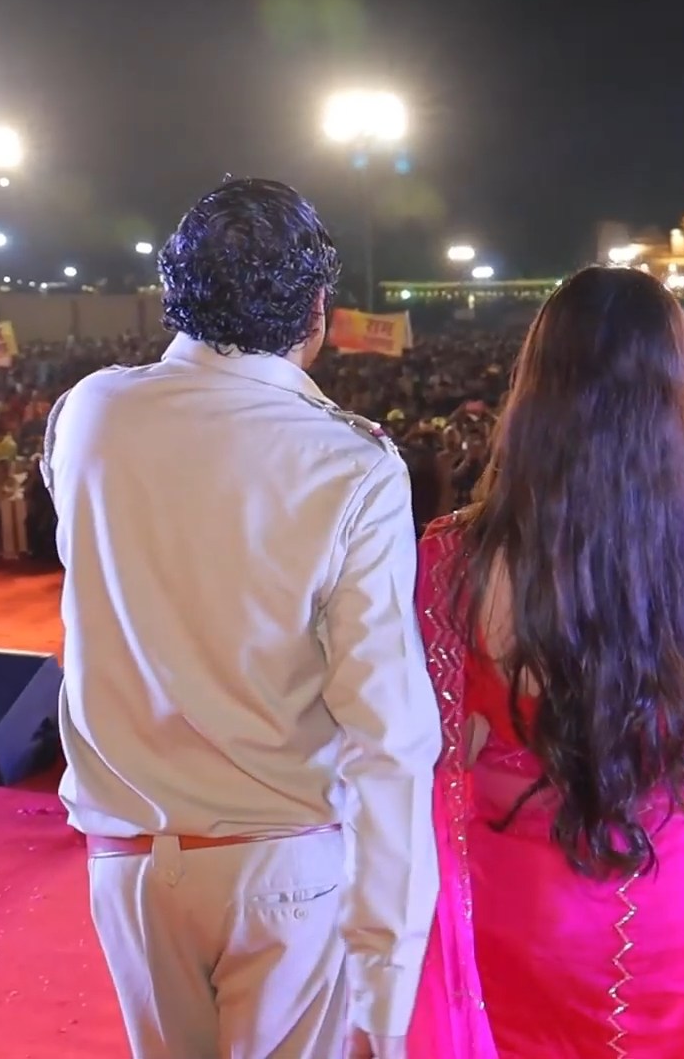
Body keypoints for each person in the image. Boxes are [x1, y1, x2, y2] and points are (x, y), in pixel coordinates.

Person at [48, 178, 439, 1059]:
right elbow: (389, 734)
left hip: (129, 864)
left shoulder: (88, 414)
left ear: (174, 293)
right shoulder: (351, 464)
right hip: (284, 865)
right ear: (318, 311)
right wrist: (387, 975)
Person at [410, 266, 684, 1058]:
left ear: (535, 389)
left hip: (523, 914)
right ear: (682, 388)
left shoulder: (454, 562)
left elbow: (436, 750)